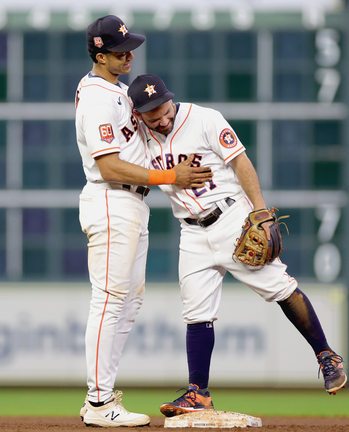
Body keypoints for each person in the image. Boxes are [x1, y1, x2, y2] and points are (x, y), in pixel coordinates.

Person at [127, 74, 347, 418]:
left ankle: (326, 355)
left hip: (231, 219)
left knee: (280, 288)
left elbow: (240, 162)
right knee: (196, 312)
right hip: (191, 232)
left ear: (171, 99)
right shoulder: (140, 135)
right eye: (153, 114)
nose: (163, 117)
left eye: (164, 107)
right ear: (139, 114)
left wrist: (259, 210)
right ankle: (198, 393)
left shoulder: (204, 119)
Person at [74, 18, 212, 427]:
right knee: (110, 300)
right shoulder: (99, 95)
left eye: (130, 46)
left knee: (128, 302)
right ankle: (99, 402)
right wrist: (173, 177)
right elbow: (109, 164)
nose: (129, 54)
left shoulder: (116, 91)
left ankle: (100, 396)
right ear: (100, 56)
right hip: (111, 199)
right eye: (119, 51)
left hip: (131, 205)